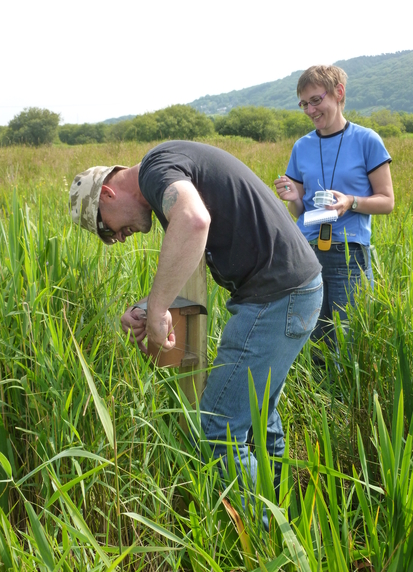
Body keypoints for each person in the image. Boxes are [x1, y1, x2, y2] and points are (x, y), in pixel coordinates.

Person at [70, 140, 323, 493]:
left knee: (218, 429)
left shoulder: (156, 169)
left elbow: (193, 221)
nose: (118, 239)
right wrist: (147, 307)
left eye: (105, 230)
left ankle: (261, 537)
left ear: (108, 195)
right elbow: (191, 257)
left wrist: (158, 311)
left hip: (276, 298)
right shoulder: (168, 177)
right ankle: (281, 515)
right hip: (292, 289)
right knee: (258, 421)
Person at [275, 65, 394, 349]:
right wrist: (292, 197)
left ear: (338, 93)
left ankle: (345, 396)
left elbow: (387, 202)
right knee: (313, 341)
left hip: (348, 254)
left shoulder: (367, 140)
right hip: (306, 253)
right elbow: (301, 212)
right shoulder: (301, 147)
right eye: (304, 104)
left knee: (347, 342)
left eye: (316, 100)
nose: (310, 110)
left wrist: (350, 202)